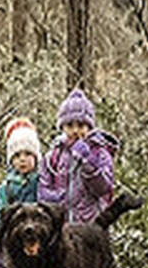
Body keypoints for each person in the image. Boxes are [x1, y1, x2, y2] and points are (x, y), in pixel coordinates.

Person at [39, 88, 142, 225]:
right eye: (70, 125)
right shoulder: (54, 155)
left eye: (81, 125)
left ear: (89, 127)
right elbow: (44, 187)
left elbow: (103, 188)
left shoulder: (99, 152)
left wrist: (88, 162)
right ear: (62, 127)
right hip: (62, 225)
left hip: (91, 224)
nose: (75, 130)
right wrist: (55, 200)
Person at [0, 117, 42, 268]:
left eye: (28, 154)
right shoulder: (5, 190)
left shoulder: (44, 183)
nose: (22, 159)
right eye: (17, 155)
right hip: (15, 250)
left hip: (40, 248)